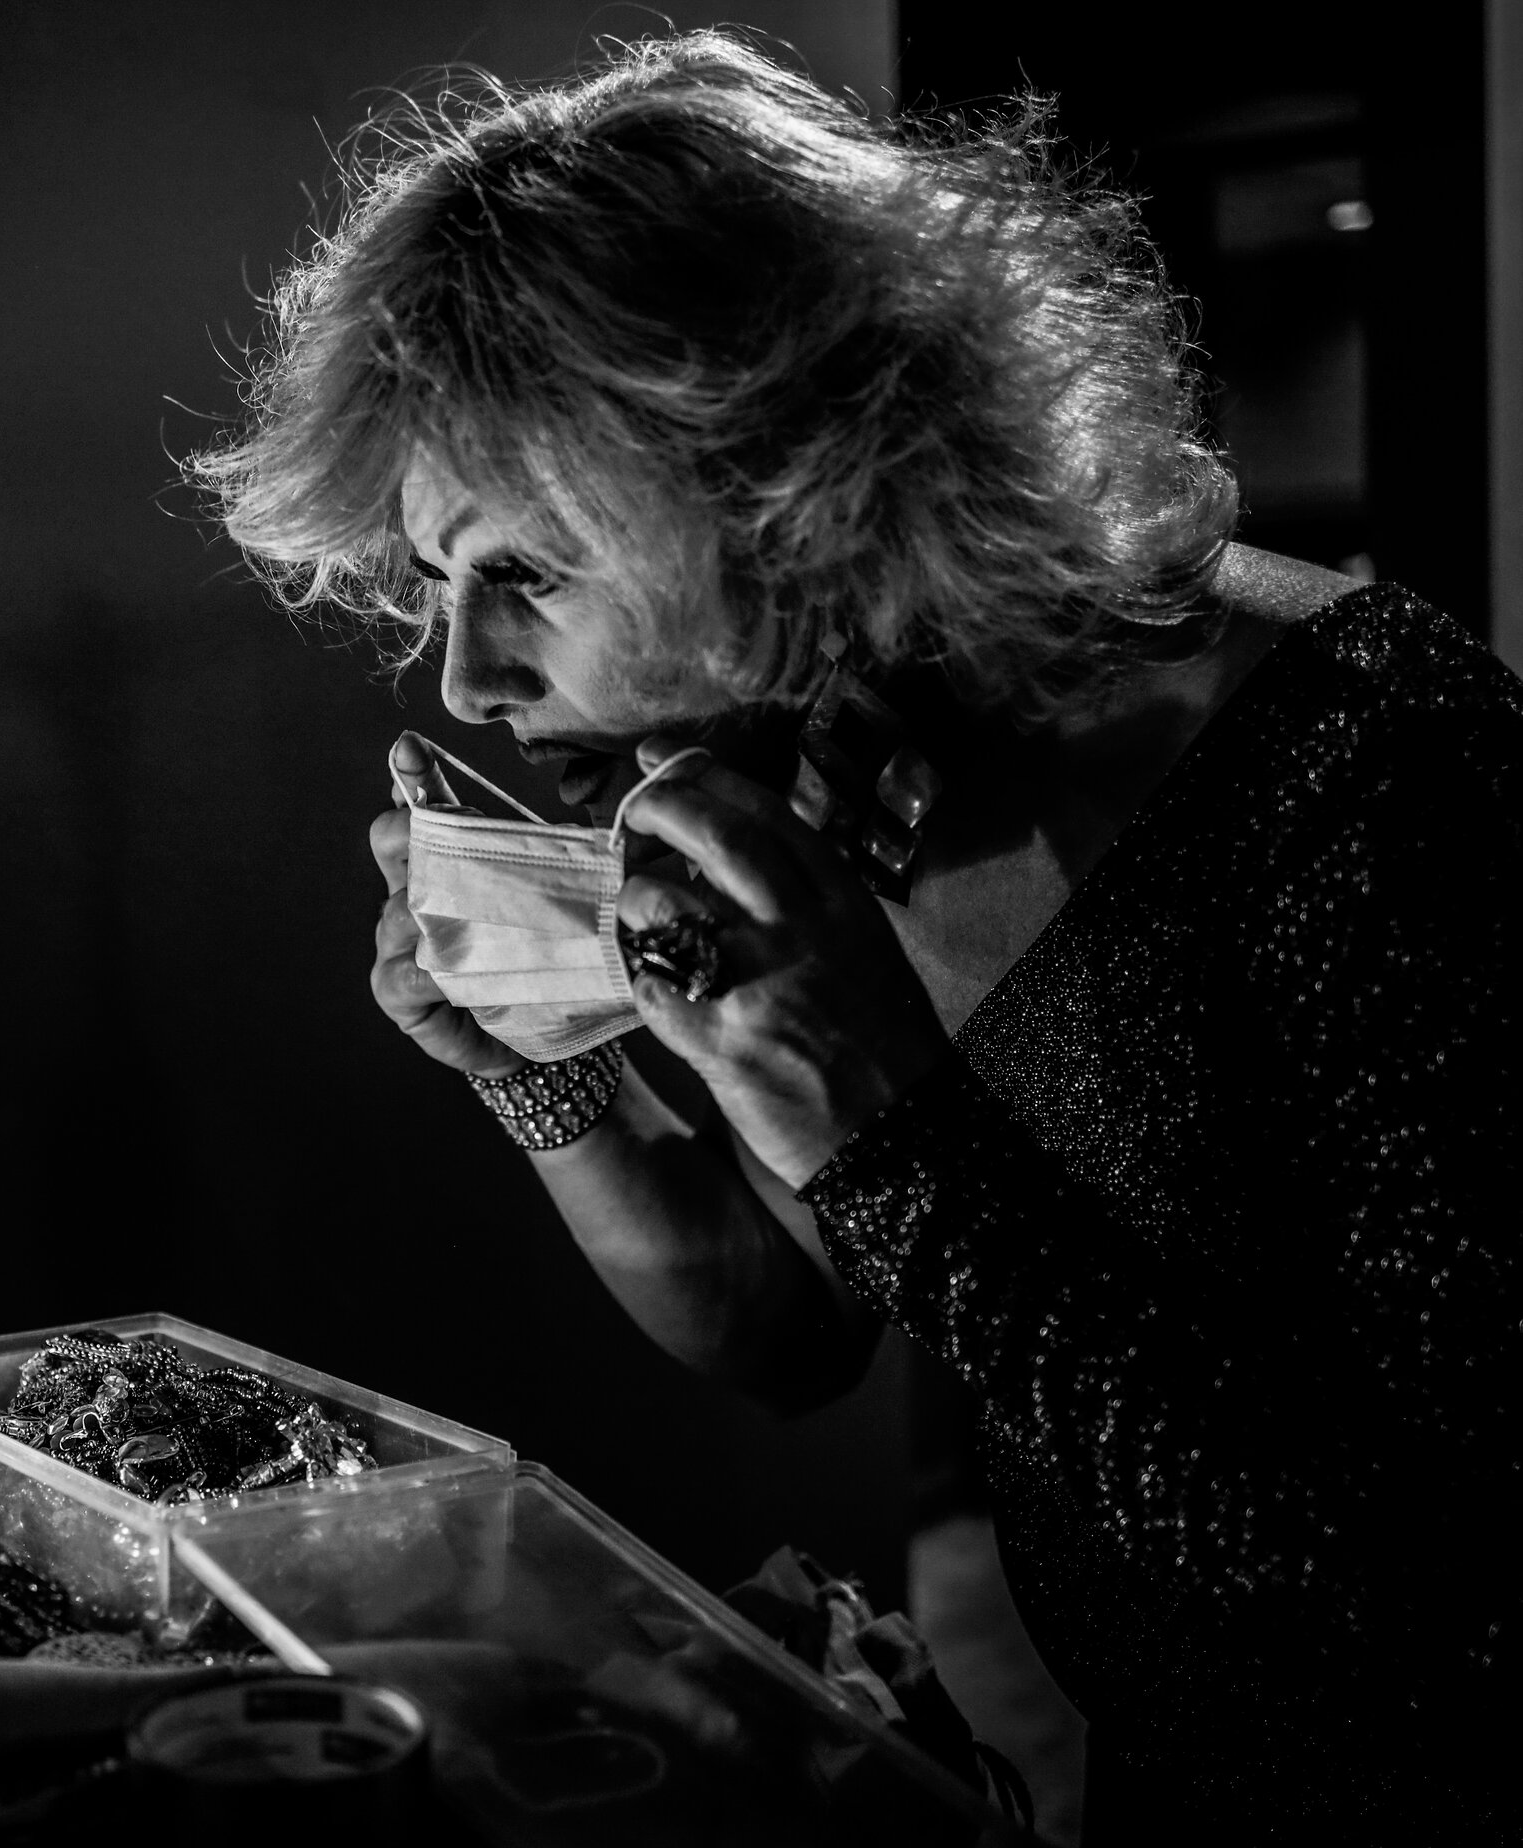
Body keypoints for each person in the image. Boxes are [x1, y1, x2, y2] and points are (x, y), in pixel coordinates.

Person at [191, 31, 1517, 1842]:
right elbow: (797, 1324)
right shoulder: (841, 769)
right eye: (439, 586)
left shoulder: (1362, 766)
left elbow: (1447, 1594)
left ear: (785, 487)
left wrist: (883, 1127)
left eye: (530, 574)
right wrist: (551, 1089)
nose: (471, 679)